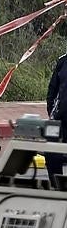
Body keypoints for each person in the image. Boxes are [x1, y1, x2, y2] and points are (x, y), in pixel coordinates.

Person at [45, 53, 67, 188]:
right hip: (59, 118)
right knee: (52, 154)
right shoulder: (63, 61)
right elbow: (53, 88)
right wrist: (51, 110)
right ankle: (57, 185)